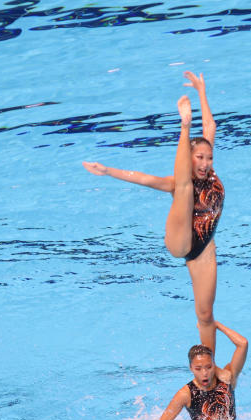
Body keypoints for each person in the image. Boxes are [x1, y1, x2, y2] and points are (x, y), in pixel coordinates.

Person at [83, 71, 223, 350]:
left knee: (205, 314)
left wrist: (201, 91)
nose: (205, 163)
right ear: (190, 156)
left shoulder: (209, 169)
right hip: (179, 241)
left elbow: (211, 126)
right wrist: (108, 171)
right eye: (199, 157)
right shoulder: (178, 183)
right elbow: (144, 178)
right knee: (184, 188)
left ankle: (211, 367)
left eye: (208, 158)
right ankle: (184, 126)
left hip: (203, 247)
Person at [141, 321, 247, 420]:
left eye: (209, 367)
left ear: (215, 365)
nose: (204, 373)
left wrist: (216, 325)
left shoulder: (227, 379)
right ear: (191, 368)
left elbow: (243, 344)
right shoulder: (186, 394)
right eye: (198, 368)